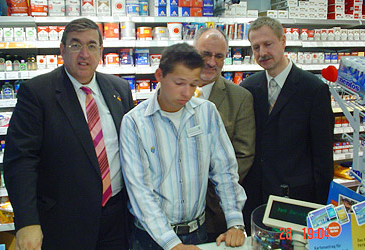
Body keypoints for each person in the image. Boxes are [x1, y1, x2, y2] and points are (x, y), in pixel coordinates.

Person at [3, 18, 134, 250]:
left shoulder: (119, 89)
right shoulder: (37, 93)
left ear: (101, 51)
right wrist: (27, 222)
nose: (84, 54)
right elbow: (21, 161)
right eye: (75, 45)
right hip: (64, 222)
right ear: (62, 49)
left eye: (92, 45)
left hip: (117, 218)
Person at [120, 43, 247, 250]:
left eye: (193, 84)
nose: (187, 92)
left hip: (198, 232)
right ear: (159, 75)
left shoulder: (206, 112)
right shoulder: (135, 122)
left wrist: (235, 222)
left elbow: (225, 171)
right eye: (179, 83)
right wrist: (172, 244)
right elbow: (140, 190)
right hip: (151, 238)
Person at [240, 16, 334, 234]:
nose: (262, 52)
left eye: (268, 44)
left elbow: (322, 156)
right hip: (256, 199)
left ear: (283, 41)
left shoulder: (313, 90)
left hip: (296, 201)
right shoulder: (248, 88)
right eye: (255, 47)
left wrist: (321, 210)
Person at [193, 27, 255, 241]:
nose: (212, 62)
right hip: (173, 213)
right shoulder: (174, 91)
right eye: (205, 54)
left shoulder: (240, 98)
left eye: (219, 56)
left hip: (216, 211)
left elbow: (243, 155)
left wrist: (209, 193)